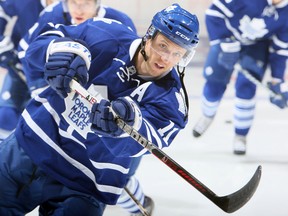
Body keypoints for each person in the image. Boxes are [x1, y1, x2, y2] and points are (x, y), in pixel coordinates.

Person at [0, 3, 199, 216]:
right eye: (163, 46)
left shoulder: (173, 102)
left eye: (178, 54)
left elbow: (144, 143)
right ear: (149, 35)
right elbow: (39, 45)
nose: (167, 59)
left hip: (86, 184)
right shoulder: (104, 33)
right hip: (30, 147)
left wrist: (126, 123)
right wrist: (58, 52)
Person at [18, 0, 153, 215]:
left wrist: (118, 109)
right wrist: (39, 87)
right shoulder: (53, 14)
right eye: (74, 2)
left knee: (116, 173)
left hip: (103, 105)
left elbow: (132, 73)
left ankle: (140, 206)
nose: (79, 9)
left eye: (86, 3)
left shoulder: (119, 21)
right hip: (63, 104)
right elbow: (28, 49)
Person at [192, 0, 288, 155]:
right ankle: (207, 115)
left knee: (246, 88)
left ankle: (240, 135)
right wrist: (220, 42)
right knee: (214, 84)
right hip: (227, 40)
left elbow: (280, 50)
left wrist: (277, 80)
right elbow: (213, 13)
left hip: (256, 47)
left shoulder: (286, 14)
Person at [0, 0, 59, 142]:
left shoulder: (72, 8)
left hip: (50, 79)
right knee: (6, 117)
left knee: (38, 128)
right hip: (18, 67)